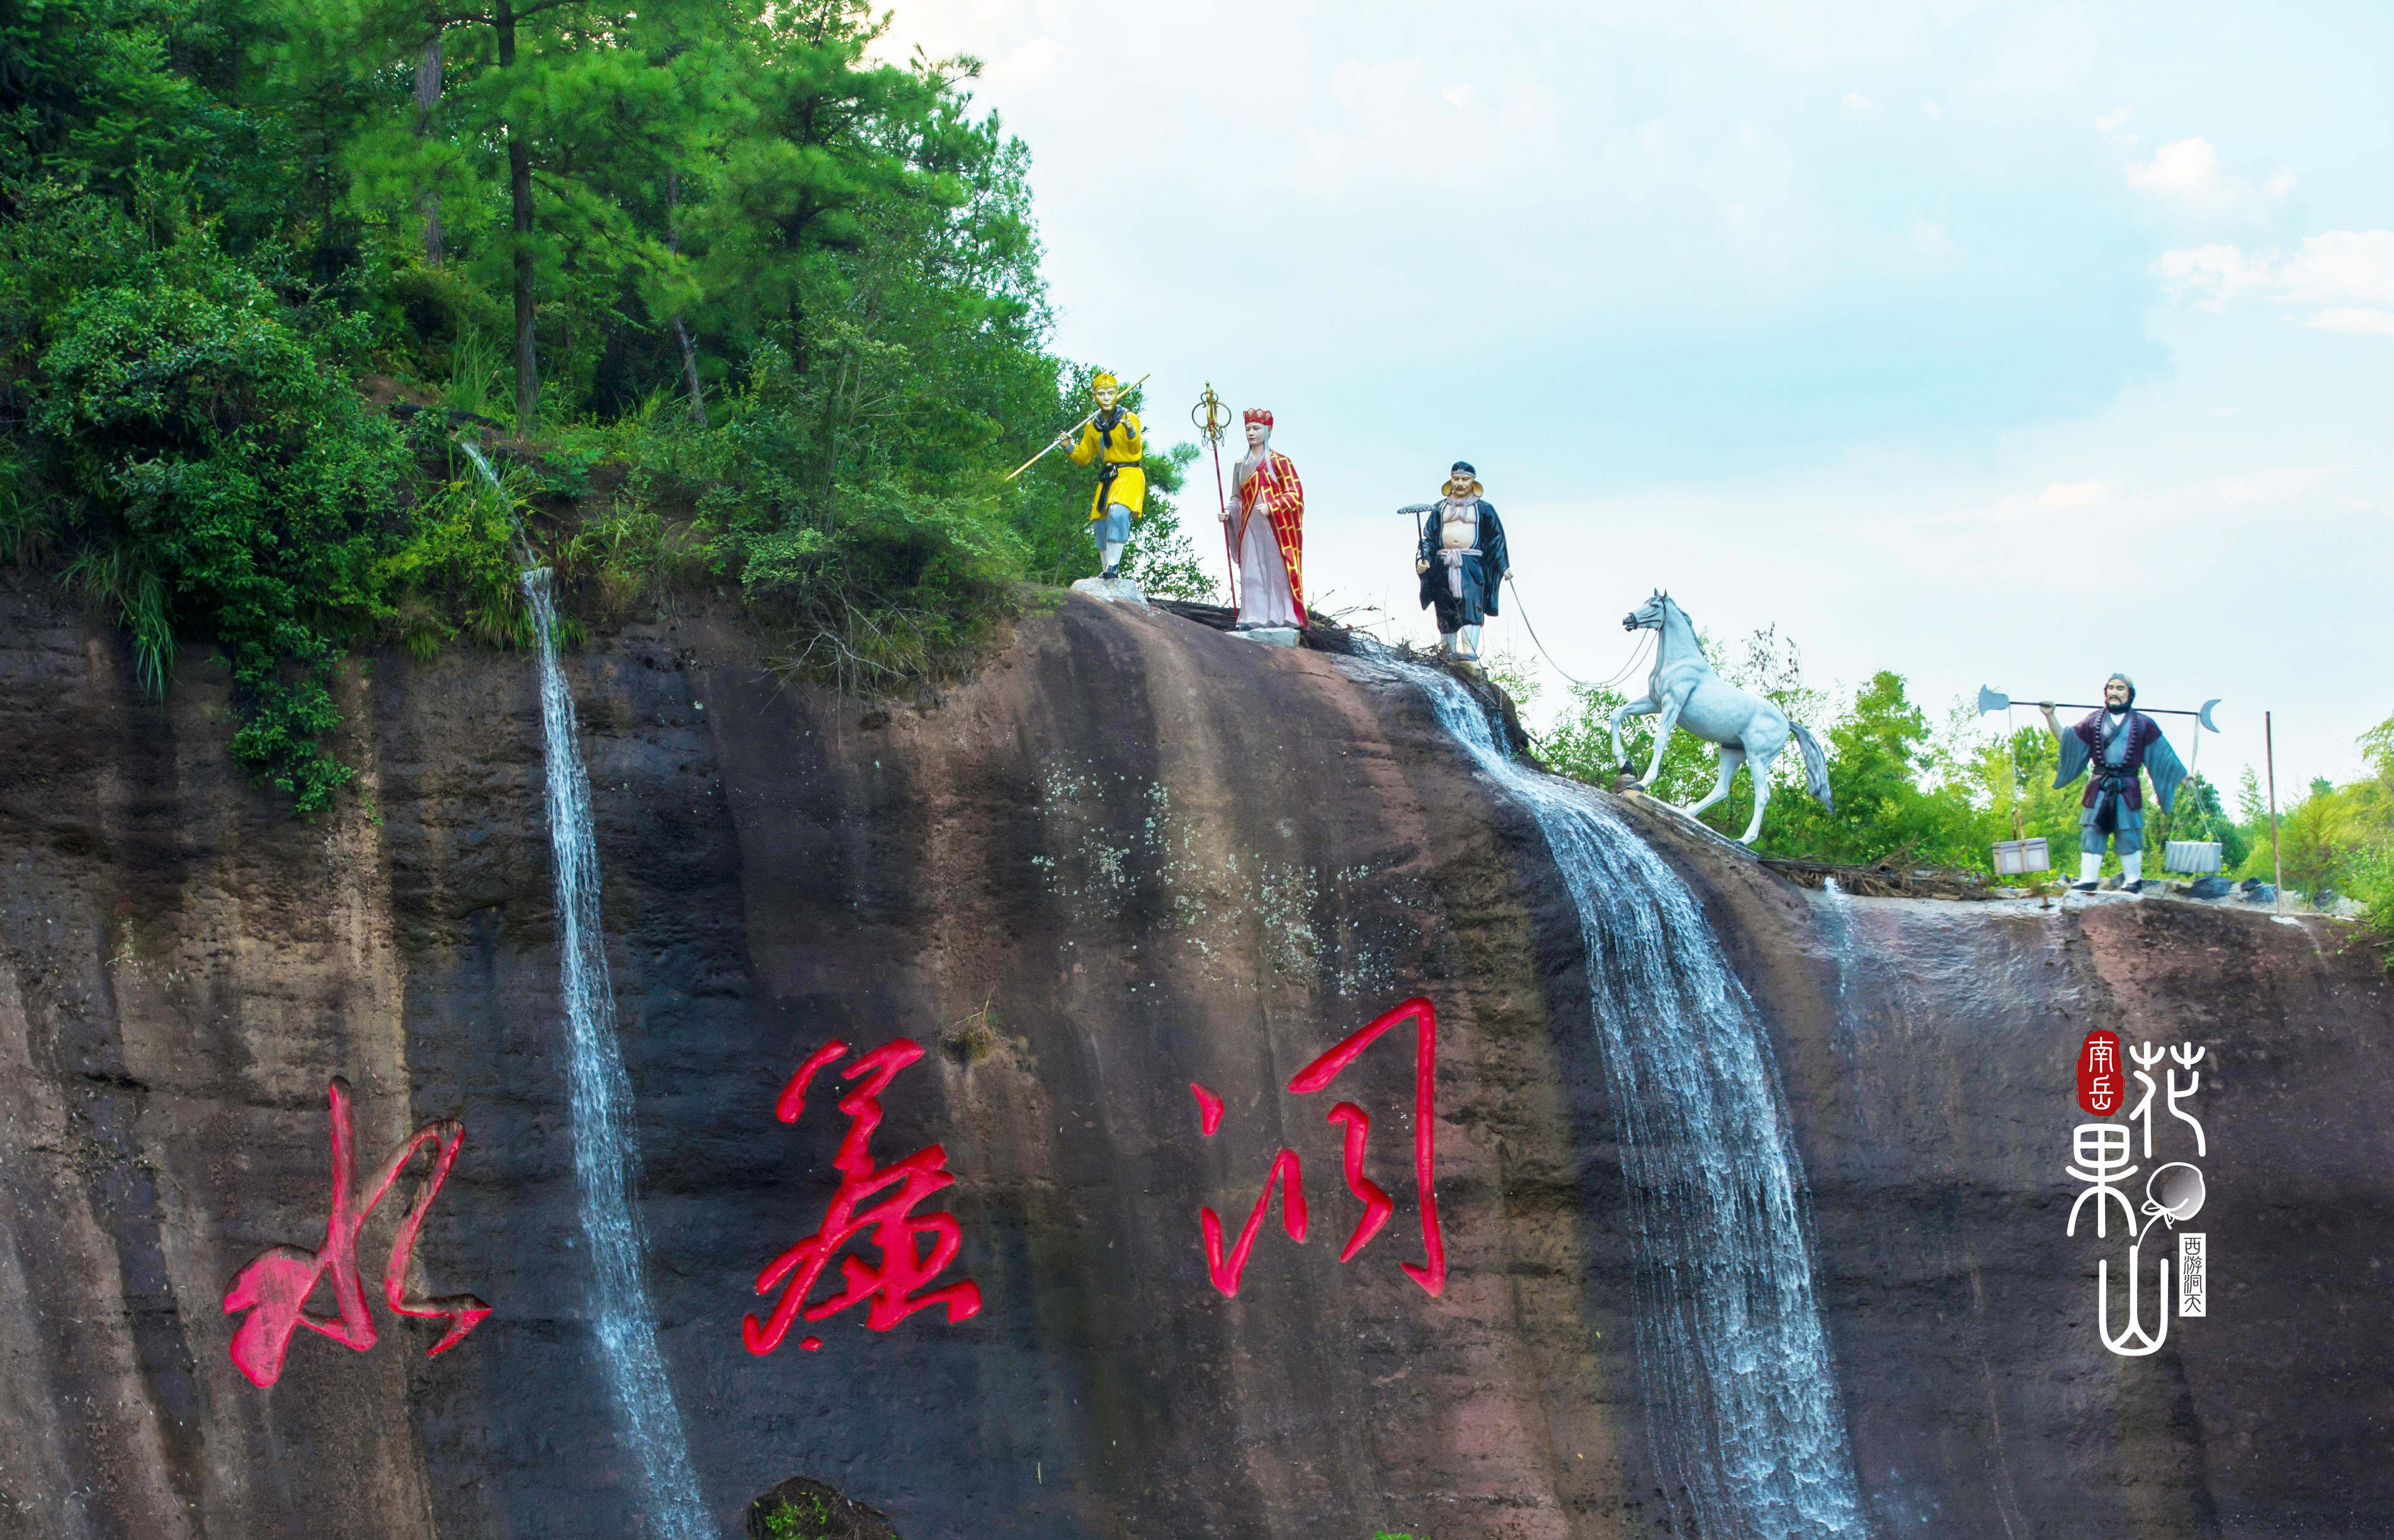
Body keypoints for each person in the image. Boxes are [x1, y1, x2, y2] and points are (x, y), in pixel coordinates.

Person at [2044, 673, 2186, 893]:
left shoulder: (2144, 724)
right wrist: (2050, 717)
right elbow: (2067, 739)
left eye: (2120, 688)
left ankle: (2133, 881)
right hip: (2099, 785)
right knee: (2091, 831)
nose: (2114, 692)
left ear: (2130, 694)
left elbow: (2163, 755)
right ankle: (2089, 878)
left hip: (2127, 788)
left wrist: (2182, 776)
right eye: (2110, 688)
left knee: (2129, 831)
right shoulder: (2093, 720)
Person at [1414, 461, 1508, 665]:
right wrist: (1424, 559)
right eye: (1456, 479)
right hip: (1443, 564)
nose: (1460, 483)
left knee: (1471, 605)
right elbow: (1428, 537)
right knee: (1444, 606)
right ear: (1450, 481)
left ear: (1473, 482)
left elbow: (1496, 538)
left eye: (1465, 479)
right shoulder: (1439, 508)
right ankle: (1446, 653)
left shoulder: (1484, 509)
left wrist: (1503, 566)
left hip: (1471, 565)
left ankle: (1469, 654)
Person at [1224, 408, 1305, 631]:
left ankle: (1284, 616)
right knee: (1252, 570)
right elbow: (1236, 497)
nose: (1251, 433)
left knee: (1277, 570)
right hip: (1249, 523)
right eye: (1248, 429)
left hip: (1275, 527)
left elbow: (1295, 495)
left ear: (1267, 431)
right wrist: (1230, 512)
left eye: (1256, 428)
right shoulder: (1240, 464)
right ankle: (1253, 616)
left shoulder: (1280, 461)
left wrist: (1273, 506)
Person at [1062, 372, 1143, 579]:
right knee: (1099, 520)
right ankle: (1106, 568)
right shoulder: (1093, 426)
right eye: (1101, 393)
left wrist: (1131, 431)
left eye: (1110, 393)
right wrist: (1069, 446)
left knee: (1118, 512)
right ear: (1095, 397)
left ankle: (1114, 566)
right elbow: (1084, 456)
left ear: (1116, 394)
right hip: (1109, 476)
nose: (1106, 397)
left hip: (1129, 473)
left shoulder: (1128, 418)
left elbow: (1135, 449)